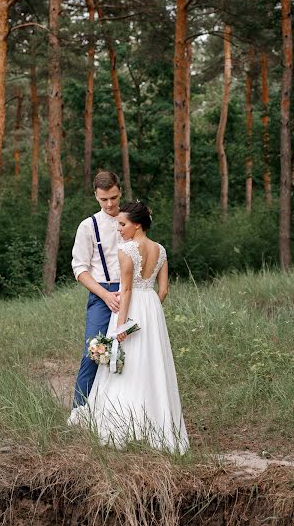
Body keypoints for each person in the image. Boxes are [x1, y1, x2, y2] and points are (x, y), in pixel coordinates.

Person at [69, 201, 189, 454]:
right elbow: (164, 289)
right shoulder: (161, 250)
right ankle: (156, 423)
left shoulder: (127, 250)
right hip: (151, 310)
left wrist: (122, 324)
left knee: (125, 366)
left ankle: (123, 424)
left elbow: (126, 289)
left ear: (136, 225)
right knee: (151, 364)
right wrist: (151, 311)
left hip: (130, 307)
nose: (119, 229)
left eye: (122, 224)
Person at [71, 171, 122, 407]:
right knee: (94, 351)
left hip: (131, 293)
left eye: (113, 197)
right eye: (104, 199)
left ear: (119, 190)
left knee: (131, 351)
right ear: (96, 196)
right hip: (101, 294)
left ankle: (121, 408)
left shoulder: (131, 219)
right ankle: (79, 410)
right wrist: (104, 294)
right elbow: (80, 268)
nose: (110, 204)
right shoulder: (87, 226)